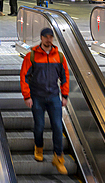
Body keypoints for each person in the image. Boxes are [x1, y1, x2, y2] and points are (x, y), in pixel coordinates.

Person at [20, 27, 70, 173]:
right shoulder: (32, 56)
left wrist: (64, 95)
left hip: (54, 97)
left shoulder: (59, 57)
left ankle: (58, 157)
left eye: (50, 37)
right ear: (41, 38)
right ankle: (39, 149)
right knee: (39, 125)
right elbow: (24, 77)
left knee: (57, 127)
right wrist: (27, 96)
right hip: (37, 97)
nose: (48, 39)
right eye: (46, 37)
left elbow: (65, 77)